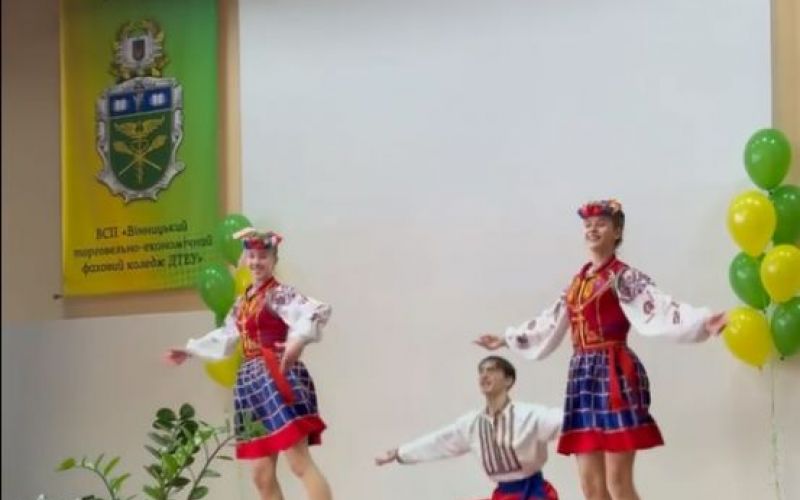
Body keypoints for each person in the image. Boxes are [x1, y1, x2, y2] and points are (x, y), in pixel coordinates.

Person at [474, 200, 726, 500]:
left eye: (601, 224)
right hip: (582, 379)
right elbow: (548, 322)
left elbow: (660, 307)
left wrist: (703, 321)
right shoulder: (577, 284)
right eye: (588, 225)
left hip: (614, 374)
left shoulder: (623, 277)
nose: (592, 230)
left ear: (617, 232)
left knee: (617, 482)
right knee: (590, 486)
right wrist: (506, 339)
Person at [165, 228, 333, 500]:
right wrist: (191, 350)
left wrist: (297, 341)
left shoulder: (278, 294)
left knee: (298, 462)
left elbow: (314, 312)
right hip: (250, 384)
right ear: (245, 259)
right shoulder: (242, 302)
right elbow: (227, 335)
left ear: (274, 260)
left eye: (263, 256)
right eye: (252, 256)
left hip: (276, 374)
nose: (256, 262)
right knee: (261, 475)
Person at [376, 355, 562, 500]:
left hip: (534, 494)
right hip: (502, 495)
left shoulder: (529, 415)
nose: (484, 375)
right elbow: (439, 441)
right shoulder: (472, 424)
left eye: (492, 370)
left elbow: (564, 420)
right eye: (481, 371)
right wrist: (400, 452)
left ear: (508, 380)